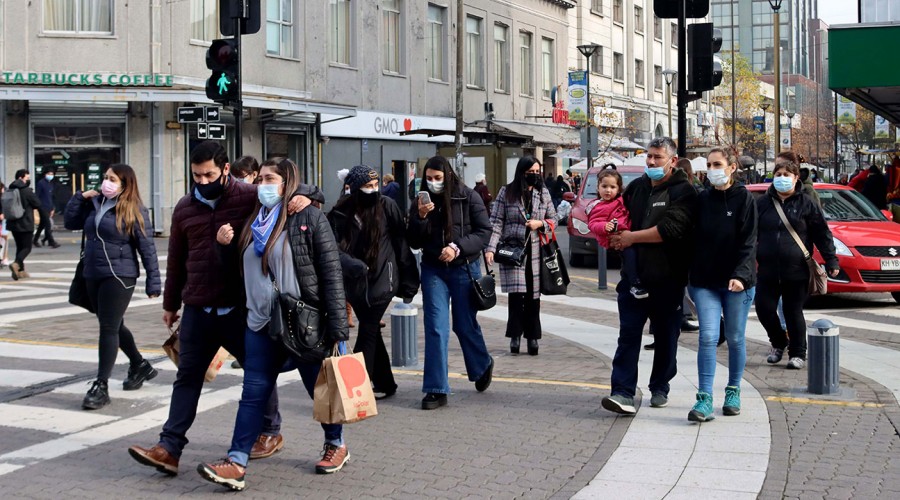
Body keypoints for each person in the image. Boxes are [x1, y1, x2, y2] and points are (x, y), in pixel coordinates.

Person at [128, 141, 321, 475]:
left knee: (258, 372)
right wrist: (171, 303)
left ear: (226, 169)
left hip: (238, 308)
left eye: (209, 175)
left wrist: (303, 198)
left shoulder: (248, 196)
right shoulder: (185, 207)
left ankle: (270, 431)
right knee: (187, 377)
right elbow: (177, 259)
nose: (202, 181)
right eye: (196, 175)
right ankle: (169, 448)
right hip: (198, 308)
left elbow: (285, 189)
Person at [196, 158, 351, 491]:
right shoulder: (254, 219)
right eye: (260, 178)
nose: (262, 185)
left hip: (303, 321)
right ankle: (236, 461)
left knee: (318, 390)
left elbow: (331, 273)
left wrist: (339, 330)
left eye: (270, 179)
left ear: (286, 183)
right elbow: (239, 271)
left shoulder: (306, 215)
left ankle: (336, 443)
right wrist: (223, 247)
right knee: (253, 393)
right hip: (259, 322)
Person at [601, 137, 698, 415]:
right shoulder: (637, 188)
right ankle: (622, 392)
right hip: (633, 280)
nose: (652, 162)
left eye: (658, 157)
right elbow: (619, 216)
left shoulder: (684, 192)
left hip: (667, 281)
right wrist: (613, 233)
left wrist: (631, 238)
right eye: (649, 157)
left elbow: (670, 230)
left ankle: (660, 386)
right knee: (628, 336)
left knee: (667, 337)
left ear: (673, 161)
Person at [64, 164, 162, 410]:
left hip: (120, 275)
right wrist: (80, 197)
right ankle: (140, 365)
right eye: (106, 178)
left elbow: (147, 247)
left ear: (125, 184)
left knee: (107, 326)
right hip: (92, 272)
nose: (106, 182)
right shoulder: (95, 203)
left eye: (112, 179)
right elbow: (70, 222)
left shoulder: (134, 209)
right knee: (114, 324)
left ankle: (101, 385)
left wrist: (153, 280)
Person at [407, 155, 494, 410]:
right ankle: (436, 388)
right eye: (429, 178)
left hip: (464, 268)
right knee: (436, 327)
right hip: (434, 269)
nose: (434, 183)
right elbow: (413, 240)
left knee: (464, 325)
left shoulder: (468, 196)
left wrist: (457, 247)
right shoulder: (421, 201)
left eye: (438, 178)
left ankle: (482, 364)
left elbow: (483, 232)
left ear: (448, 175)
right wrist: (420, 218)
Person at [328, 165, 419, 400]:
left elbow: (401, 243)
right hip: (355, 282)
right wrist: (351, 265)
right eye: (368, 186)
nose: (373, 190)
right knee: (373, 333)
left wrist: (409, 281)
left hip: (383, 279)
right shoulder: (341, 211)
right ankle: (386, 383)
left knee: (367, 330)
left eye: (376, 185)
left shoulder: (386, 206)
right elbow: (332, 247)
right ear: (355, 188)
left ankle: (356, 388)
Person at [686, 148, 758, 422]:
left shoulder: (745, 199)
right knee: (707, 336)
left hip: (737, 282)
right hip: (705, 281)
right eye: (709, 165)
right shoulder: (702, 199)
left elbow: (749, 242)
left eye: (718, 164)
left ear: (731, 167)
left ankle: (733, 390)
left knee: (737, 337)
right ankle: (704, 398)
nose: (713, 169)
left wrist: (740, 275)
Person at [756, 151, 840, 370]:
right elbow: (749, 234)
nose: (782, 177)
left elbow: (822, 232)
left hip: (796, 269)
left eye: (786, 174)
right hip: (767, 269)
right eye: (778, 174)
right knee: (764, 309)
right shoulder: (762, 204)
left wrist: (831, 260)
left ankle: (797, 352)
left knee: (793, 311)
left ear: (796, 179)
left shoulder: (806, 203)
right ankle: (778, 342)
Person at [486, 156, 557, 356]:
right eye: (530, 172)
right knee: (516, 296)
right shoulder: (506, 192)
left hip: (535, 250)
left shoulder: (543, 193)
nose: (534, 175)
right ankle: (515, 336)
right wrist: (490, 248)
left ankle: (533, 337)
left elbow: (554, 218)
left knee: (534, 296)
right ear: (521, 172)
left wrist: (540, 224)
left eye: (537, 171)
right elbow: (496, 221)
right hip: (513, 250)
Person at [587, 169, 644, 299]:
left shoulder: (621, 200)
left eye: (612, 187)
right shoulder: (598, 206)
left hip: (628, 233)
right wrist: (604, 227)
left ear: (619, 189)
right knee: (629, 255)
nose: (608, 190)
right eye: (604, 186)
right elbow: (593, 223)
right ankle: (634, 283)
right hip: (614, 237)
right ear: (598, 187)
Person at [7, 169, 42, 281]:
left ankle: (20, 271)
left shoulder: (10, 189)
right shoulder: (26, 191)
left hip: (13, 222)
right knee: (27, 247)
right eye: (27, 177)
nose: (28, 179)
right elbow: (37, 203)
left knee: (19, 247)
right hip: (25, 222)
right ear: (21, 177)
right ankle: (16, 264)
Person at [34, 168, 60, 248]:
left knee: (42, 225)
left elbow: (50, 197)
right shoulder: (41, 183)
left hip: (49, 207)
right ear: (45, 174)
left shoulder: (50, 184)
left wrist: (52, 208)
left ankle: (35, 240)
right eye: (49, 174)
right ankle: (52, 242)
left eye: (52, 174)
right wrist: (37, 206)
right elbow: (37, 195)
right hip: (42, 207)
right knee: (48, 225)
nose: (50, 175)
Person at [0, 182, 11, 267]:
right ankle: (4, 258)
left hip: (3, 221)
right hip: (2, 220)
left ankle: (4, 258)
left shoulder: (4, 192)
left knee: (4, 238)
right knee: (4, 238)